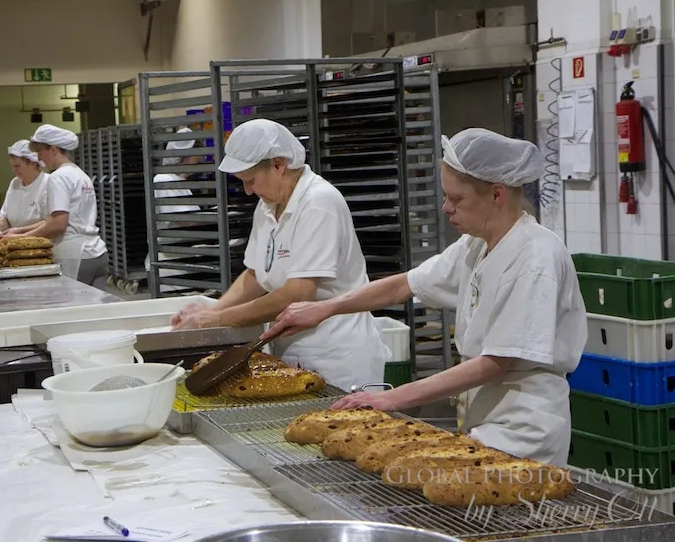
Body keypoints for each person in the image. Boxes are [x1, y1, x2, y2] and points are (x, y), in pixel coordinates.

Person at [261, 127, 587, 467]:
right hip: (487, 412)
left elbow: (495, 362)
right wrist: (325, 308)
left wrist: (390, 399)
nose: (446, 208)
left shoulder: (535, 258)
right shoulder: (477, 245)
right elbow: (404, 285)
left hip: (524, 426)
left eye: (457, 199)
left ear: (497, 194)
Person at [171, 118, 389, 392]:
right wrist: (215, 308)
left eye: (251, 180)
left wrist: (216, 320)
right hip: (292, 351)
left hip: (337, 355)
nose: (248, 190)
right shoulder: (267, 205)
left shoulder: (318, 202)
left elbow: (298, 293)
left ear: (278, 164)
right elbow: (255, 274)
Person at [15, 124, 108, 285]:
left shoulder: (58, 177)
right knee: (95, 309)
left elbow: (58, 224)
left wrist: (21, 239)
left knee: (73, 310)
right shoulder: (81, 175)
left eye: (40, 153)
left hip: (76, 256)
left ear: (53, 150)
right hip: (97, 254)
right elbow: (57, 218)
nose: (39, 159)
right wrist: (18, 230)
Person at [146, 127, 202, 292]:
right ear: (186, 155)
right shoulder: (164, 180)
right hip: (168, 266)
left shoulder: (181, 183)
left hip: (182, 263)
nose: (199, 159)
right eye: (197, 153)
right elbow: (186, 220)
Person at [0, 140, 49, 239]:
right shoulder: (15, 183)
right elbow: (6, 217)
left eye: (17, 166)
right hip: (15, 242)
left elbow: (50, 222)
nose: (14, 170)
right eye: (12, 166)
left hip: (40, 243)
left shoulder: (48, 183)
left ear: (33, 163)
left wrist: (19, 232)